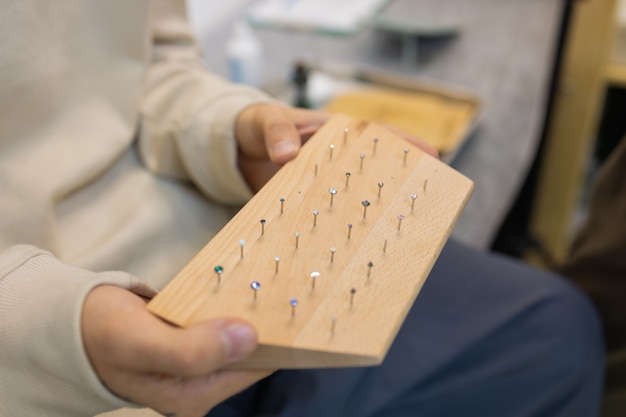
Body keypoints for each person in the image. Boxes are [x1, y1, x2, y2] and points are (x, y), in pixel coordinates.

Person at [0, 1, 604, 417]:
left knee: (552, 325)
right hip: (50, 361)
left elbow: (147, 66)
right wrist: (55, 335)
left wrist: (232, 135)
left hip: (222, 250)